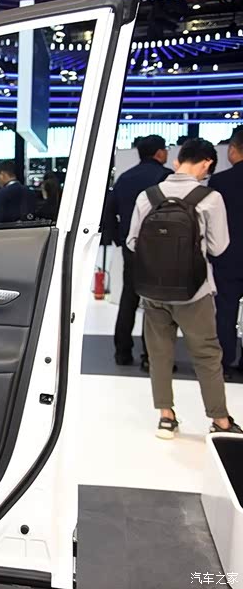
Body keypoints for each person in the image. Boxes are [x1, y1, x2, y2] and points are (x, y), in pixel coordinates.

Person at [127, 138, 242, 438]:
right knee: (206, 354)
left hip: (152, 290)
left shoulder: (148, 196)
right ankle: (220, 420)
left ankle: (166, 417)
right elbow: (218, 247)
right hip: (194, 292)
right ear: (206, 163)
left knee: (159, 353)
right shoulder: (210, 198)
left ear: (178, 160)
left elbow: (133, 242)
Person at [103, 135, 173, 368]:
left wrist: (119, 239)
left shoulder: (125, 177)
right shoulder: (165, 177)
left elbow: (109, 211)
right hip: (159, 247)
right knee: (154, 302)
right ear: (159, 153)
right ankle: (150, 356)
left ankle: (122, 352)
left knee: (129, 298)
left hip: (130, 246)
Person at [209, 129, 243, 380]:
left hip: (228, 257)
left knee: (226, 312)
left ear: (233, 149)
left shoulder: (219, 182)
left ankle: (225, 362)